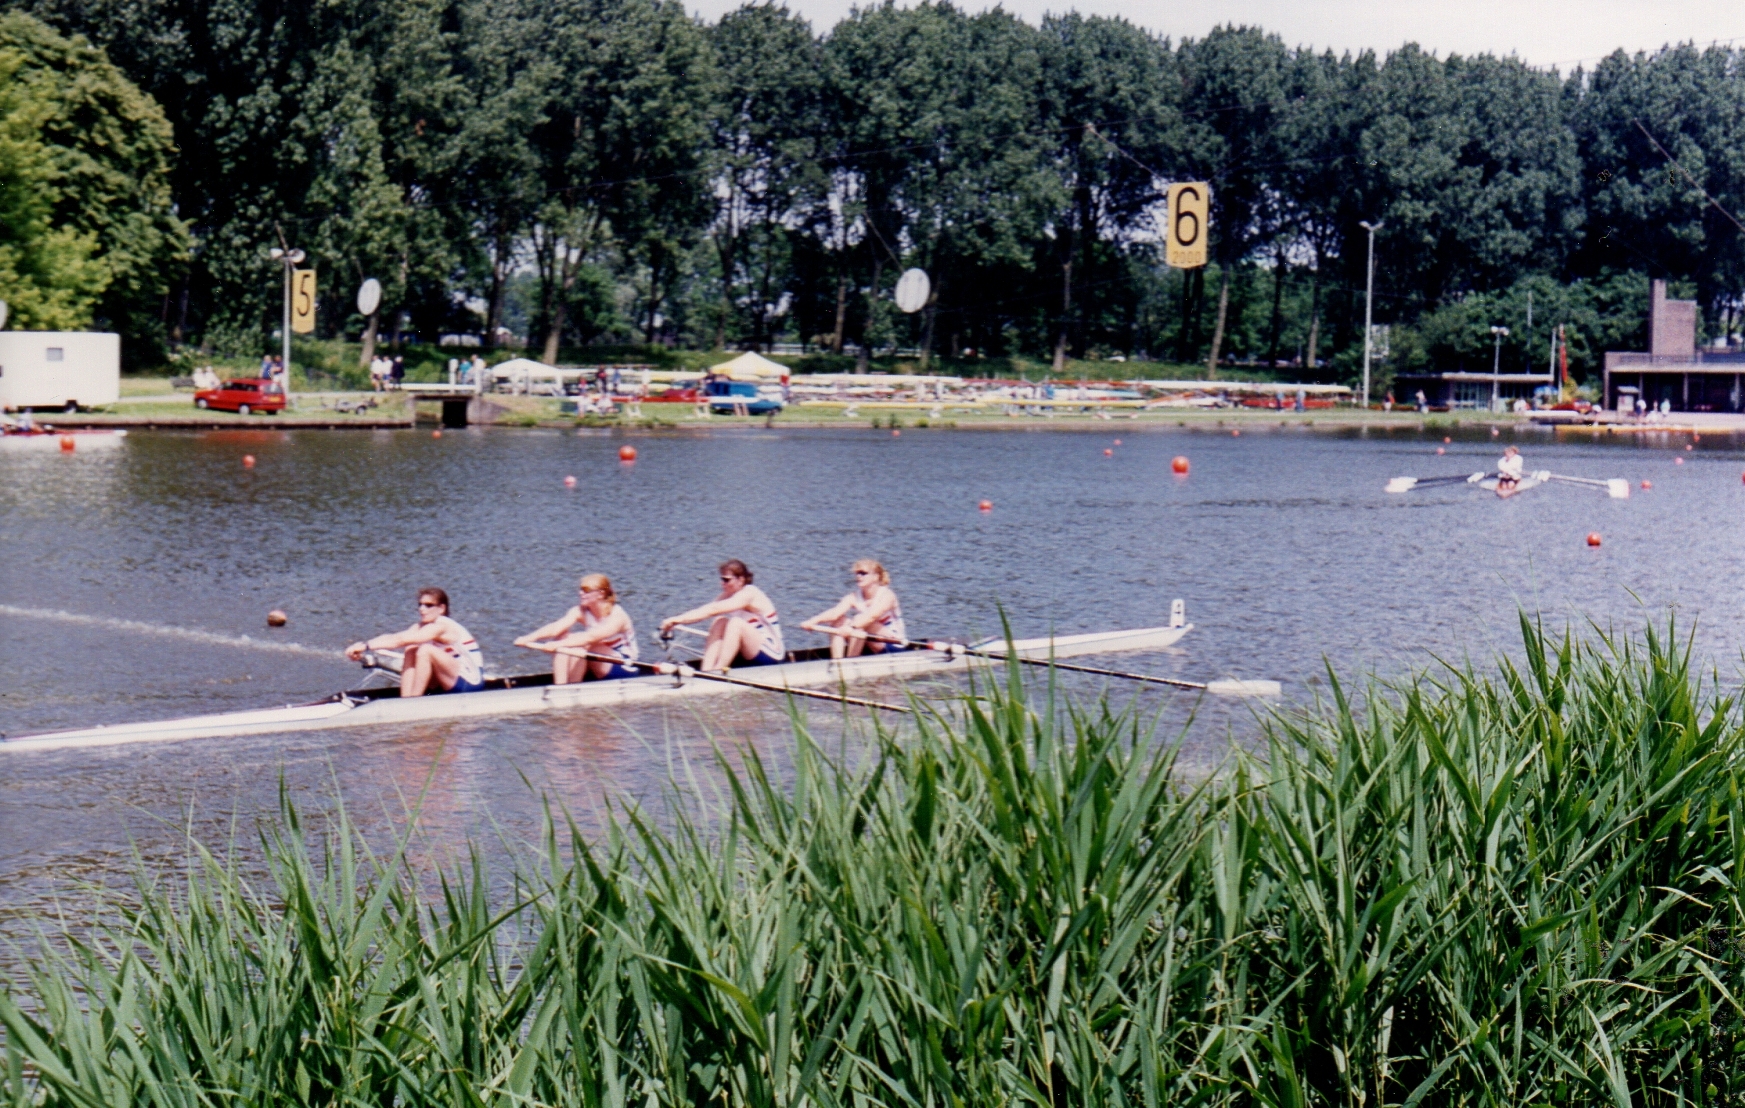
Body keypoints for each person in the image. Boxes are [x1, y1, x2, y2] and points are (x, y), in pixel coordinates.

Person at [345, 588, 485, 697]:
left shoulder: (443, 625)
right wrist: (363, 646)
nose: (422, 609)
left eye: (428, 605)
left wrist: (366, 646)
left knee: (425, 649)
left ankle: (414, 701)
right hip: (449, 679)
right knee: (411, 647)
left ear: (441, 608)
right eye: (420, 605)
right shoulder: (421, 626)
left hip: (470, 683)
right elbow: (396, 637)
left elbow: (400, 641)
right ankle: (407, 699)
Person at [660, 559, 785, 671]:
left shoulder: (749, 593)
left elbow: (713, 609)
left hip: (772, 654)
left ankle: (718, 671)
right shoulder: (728, 594)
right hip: (750, 651)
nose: (722, 583)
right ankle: (707, 672)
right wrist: (675, 621)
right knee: (720, 621)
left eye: (726, 580)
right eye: (721, 579)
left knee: (736, 623)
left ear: (741, 579)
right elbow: (705, 611)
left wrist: (677, 619)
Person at [515, 573, 640, 683]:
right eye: (580, 589)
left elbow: (590, 637)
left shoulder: (617, 616)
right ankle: (561, 686)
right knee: (563, 636)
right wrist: (528, 638)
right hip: (597, 660)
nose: (580, 593)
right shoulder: (579, 611)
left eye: (586, 590)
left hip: (625, 666)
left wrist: (556, 645)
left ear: (600, 594)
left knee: (578, 642)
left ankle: (573, 686)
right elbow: (556, 627)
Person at [802, 559, 907, 658]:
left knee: (859, 620)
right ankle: (838, 664)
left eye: (863, 573)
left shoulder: (887, 595)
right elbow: (835, 612)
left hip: (893, 644)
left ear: (876, 576)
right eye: (857, 573)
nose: (858, 576)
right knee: (838, 621)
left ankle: (850, 662)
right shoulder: (854, 596)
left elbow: (871, 616)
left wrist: (851, 627)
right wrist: (813, 621)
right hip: (868, 641)